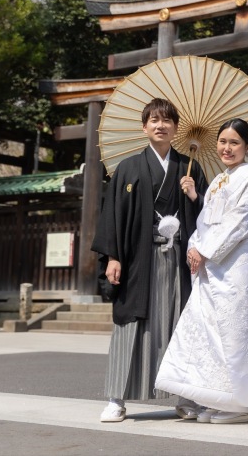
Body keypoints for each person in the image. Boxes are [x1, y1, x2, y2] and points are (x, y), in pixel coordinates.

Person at [155, 118, 248, 425]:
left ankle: (242, 403)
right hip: (211, 265)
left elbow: (242, 221)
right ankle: (214, 397)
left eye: (234, 143)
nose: (226, 148)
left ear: (247, 146)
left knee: (235, 330)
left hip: (238, 264)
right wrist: (194, 244)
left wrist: (205, 249)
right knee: (209, 330)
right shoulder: (217, 180)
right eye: (222, 142)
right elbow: (206, 220)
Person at [91, 97, 209, 423]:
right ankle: (117, 398)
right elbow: (113, 215)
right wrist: (113, 256)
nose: (161, 125)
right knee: (130, 325)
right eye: (154, 120)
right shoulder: (128, 168)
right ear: (144, 127)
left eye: (167, 120)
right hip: (137, 262)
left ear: (176, 128)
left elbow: (210, 218)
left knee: (179, 326)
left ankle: (185, 398)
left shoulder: (190, 167)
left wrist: (194, 196)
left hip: (177, 262)